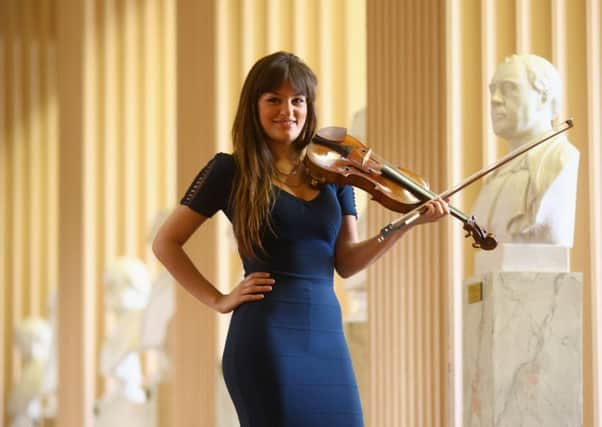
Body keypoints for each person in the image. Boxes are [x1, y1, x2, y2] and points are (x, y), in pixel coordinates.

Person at [152, 51, 448, 427]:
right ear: (254, 106)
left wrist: (404, 225)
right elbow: (166, 243)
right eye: (273, 99)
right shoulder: (229, 170)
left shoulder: (335, 172)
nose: (287, 110)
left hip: (326, 334)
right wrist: (219, 299)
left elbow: (347, 261)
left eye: (298, 100)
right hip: (266, 336)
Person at [472, 54, 579, 246]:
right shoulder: (494, 176)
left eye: (509, 88)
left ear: (544, 97)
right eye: (493, 91)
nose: (495, 100)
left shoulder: (561, 159)